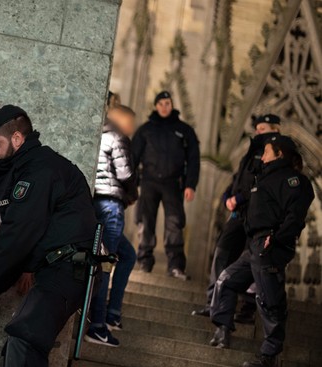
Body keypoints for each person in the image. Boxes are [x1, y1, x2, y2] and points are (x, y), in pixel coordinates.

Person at [0, 105, 99, 367]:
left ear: (16, 139)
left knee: (24, 342)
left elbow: (20, 229)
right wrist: (27, 268)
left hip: (67, 269)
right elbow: (45, 225)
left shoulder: (38, 169)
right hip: (61, 268)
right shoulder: (33, 164)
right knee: (21, 346)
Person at [209, 135, 314, 367]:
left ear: (279, 154)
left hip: (271, 245)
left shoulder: (294, 181)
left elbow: (295, 217)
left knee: (270, 300)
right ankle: (223, 330)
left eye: (267, 152)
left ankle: (269, 356)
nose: (262, 156)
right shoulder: (261, 177)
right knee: (225, 281)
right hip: (254, 244)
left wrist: (276, 238)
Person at [192, 114, 281, 320]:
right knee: (222, 252)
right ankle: (213, 302)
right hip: (238, 214)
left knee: (253, 261)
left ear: (275, 130)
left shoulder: (275, 155)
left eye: (263, 128)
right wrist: (227, 197)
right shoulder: (250, 152)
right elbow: (237, 179)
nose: (258, 131)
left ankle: (248, 308)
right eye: (257, 128)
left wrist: (239, 197)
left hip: (257, 215)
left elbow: (265, 184)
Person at [131, 91, 200, 279]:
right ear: (155, 106)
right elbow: (133, 157)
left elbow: (193, 159)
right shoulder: (145, 129)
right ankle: (144, 262)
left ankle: (176, 266)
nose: (164, 107)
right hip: (149, 182)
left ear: (172, 105)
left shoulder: (184, 130)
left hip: (173, 183)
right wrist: (132, 182)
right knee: (145, 222)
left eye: (167, 103)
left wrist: (190, 185)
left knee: (175, 223)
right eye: (160, 103)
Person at [86, 105, 138, 347]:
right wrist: (132, 193)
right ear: (123, 120)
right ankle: (97, 326)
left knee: (127, 255)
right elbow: (126, 173)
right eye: (132, 122)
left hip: (98, 202)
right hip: (111, 207)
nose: (133, 128)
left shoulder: (101, 134)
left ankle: (112, 313)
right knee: (105, 265)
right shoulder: (118, 137)